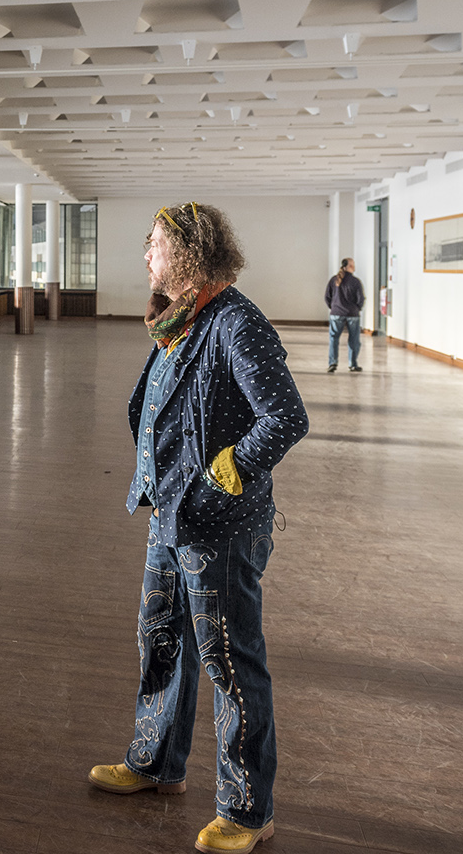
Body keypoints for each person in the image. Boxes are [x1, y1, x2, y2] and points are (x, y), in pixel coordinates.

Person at [89, 202, 309, 854]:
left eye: (155, 245)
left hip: (218, 524)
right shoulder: (184, 322)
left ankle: (247, 809)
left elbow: (285, 417)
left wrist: (226, 471)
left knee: (230, 663)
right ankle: (157, 762)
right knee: (160, 638)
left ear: (187, 255)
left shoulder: (238, 325)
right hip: (170, 518)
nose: (148, 256)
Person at [324, 258, 365, 373]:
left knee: (334, 338)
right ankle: (352, 364)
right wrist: (357, 309)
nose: (354, 267)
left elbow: (327, 296)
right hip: (352, 314)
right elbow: (360, 299)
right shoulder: (355, 282)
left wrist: (334, 308)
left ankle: (333, 363)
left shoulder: (334, 280)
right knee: (354, 339)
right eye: (353, 265)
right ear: (348, 267)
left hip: (336, 313)